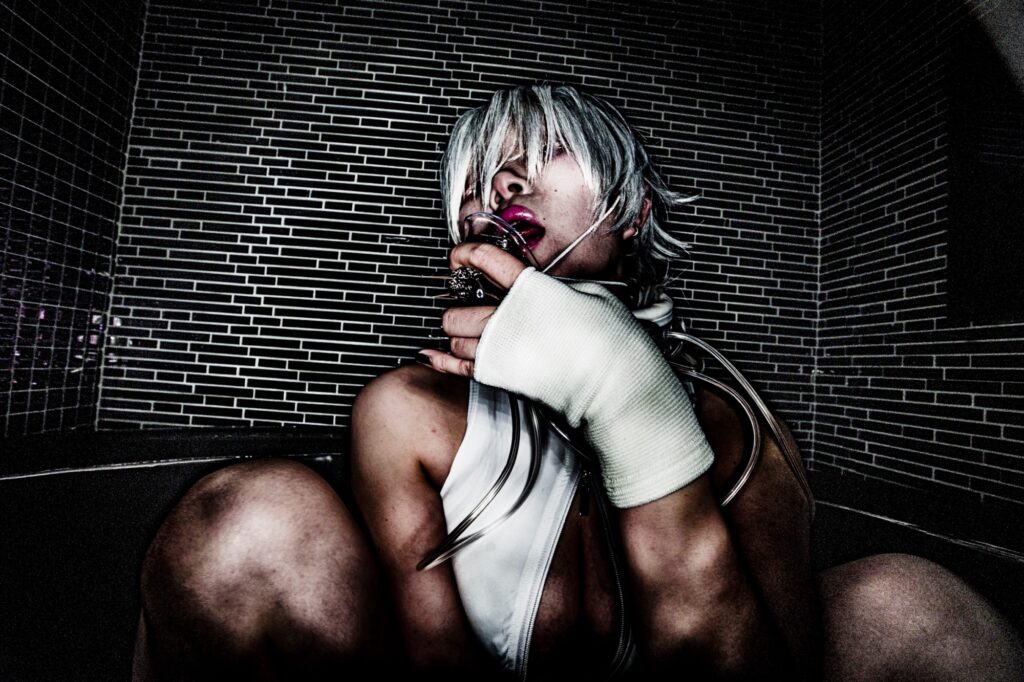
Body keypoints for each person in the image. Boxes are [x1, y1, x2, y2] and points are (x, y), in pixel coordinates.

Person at [134, 83, 1024, 681]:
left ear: (632, 215)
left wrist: (633, 408)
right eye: (478, 177)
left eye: (548, 151)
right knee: (241, 522)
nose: (503, 181)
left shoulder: (736, 428)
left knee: (914, 608)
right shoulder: (409, 413)